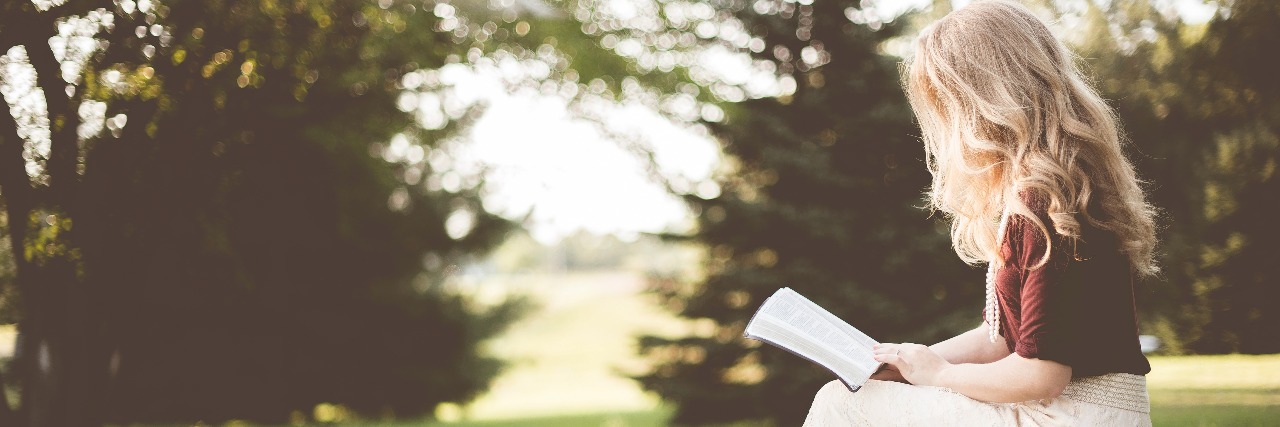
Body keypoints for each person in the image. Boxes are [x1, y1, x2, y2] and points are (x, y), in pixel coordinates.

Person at [802, 1, 1158, 425]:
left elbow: (1043, 373)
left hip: (1072, 414)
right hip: (1069, 409)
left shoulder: (1046, 201)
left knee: (842, 405)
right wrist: (907, 364)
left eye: (948, 104)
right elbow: (1003, 341)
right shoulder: (1051, 187)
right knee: (865, 392)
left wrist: (942, 375)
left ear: (984, 99)